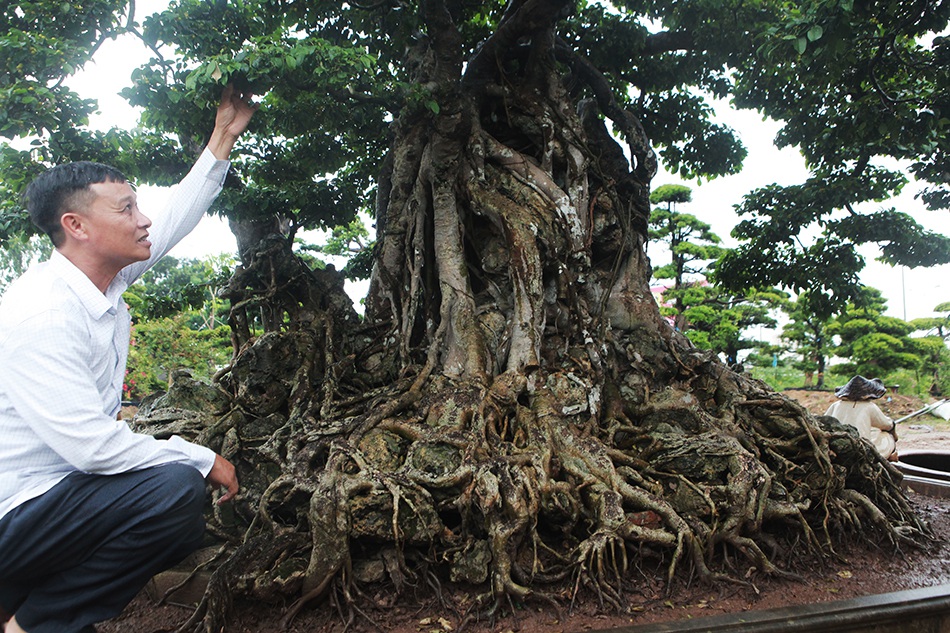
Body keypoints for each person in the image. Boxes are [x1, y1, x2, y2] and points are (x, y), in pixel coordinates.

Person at [0, 84, 257, 633]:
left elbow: (169, 224)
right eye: (126, 209)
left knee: (165, 489)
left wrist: (221, 140)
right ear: (76, 226)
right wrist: (199, 456)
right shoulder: (42, 313)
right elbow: (92, 447)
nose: (142, 219)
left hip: (53, 503)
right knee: (169, 492)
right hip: (17, 509)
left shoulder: (104, 278)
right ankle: (38, 624)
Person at [824, 375, 898, 461]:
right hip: (860, 449)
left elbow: (824, 420)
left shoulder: (836, 405)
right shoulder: (869, 406)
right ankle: (887, 457)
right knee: (887, 436)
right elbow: (887, 425)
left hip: (834, 446)